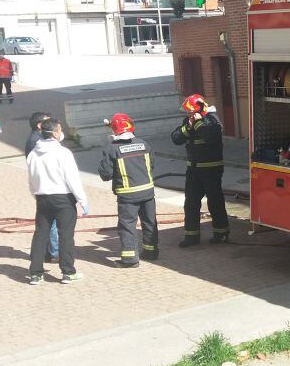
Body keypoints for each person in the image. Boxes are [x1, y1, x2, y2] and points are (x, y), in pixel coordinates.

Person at [26, 117, 88, 285]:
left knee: (40, 234)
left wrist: (37, 195)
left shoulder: (33, 154)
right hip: (63, 198)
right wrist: (82, 200)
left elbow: (31, 179)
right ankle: (68, 272)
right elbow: (72, 178)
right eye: (60, 130)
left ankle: (35, 273)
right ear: (54, 133)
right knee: (66, 235)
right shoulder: (63, 153)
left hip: (42, 197)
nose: (62, 133)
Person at [98, 112, 158, 267]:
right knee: (149, 222)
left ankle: (130, 259)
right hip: (148, 192)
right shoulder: (144, 144)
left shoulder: (112, 149)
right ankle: (151, 251)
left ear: (114, 130)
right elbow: (151, 165)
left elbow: (106, 175)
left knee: (127, 226)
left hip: (128, 196)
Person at [171, 93, 229, 247]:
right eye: (188, 112)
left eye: (191, 111)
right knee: (190, 203)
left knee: (215, 202)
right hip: (193, 170)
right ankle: (191, 236)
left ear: (199, 109)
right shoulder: (188, 121)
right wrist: (188, 127)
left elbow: (210, 138)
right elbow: (176, 138)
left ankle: (221, 233)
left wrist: (197, 124)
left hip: (211, 170)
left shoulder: (212, 120)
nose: (188, 114)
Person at [25, 111, 58, 263]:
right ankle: (53, 252)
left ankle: (46, 252)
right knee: (49, 223)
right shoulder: (36, 142)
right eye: (47, 121)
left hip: (42, 188)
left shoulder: (37, 138)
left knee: (46, 223)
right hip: (47, 188)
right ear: (40, 126)